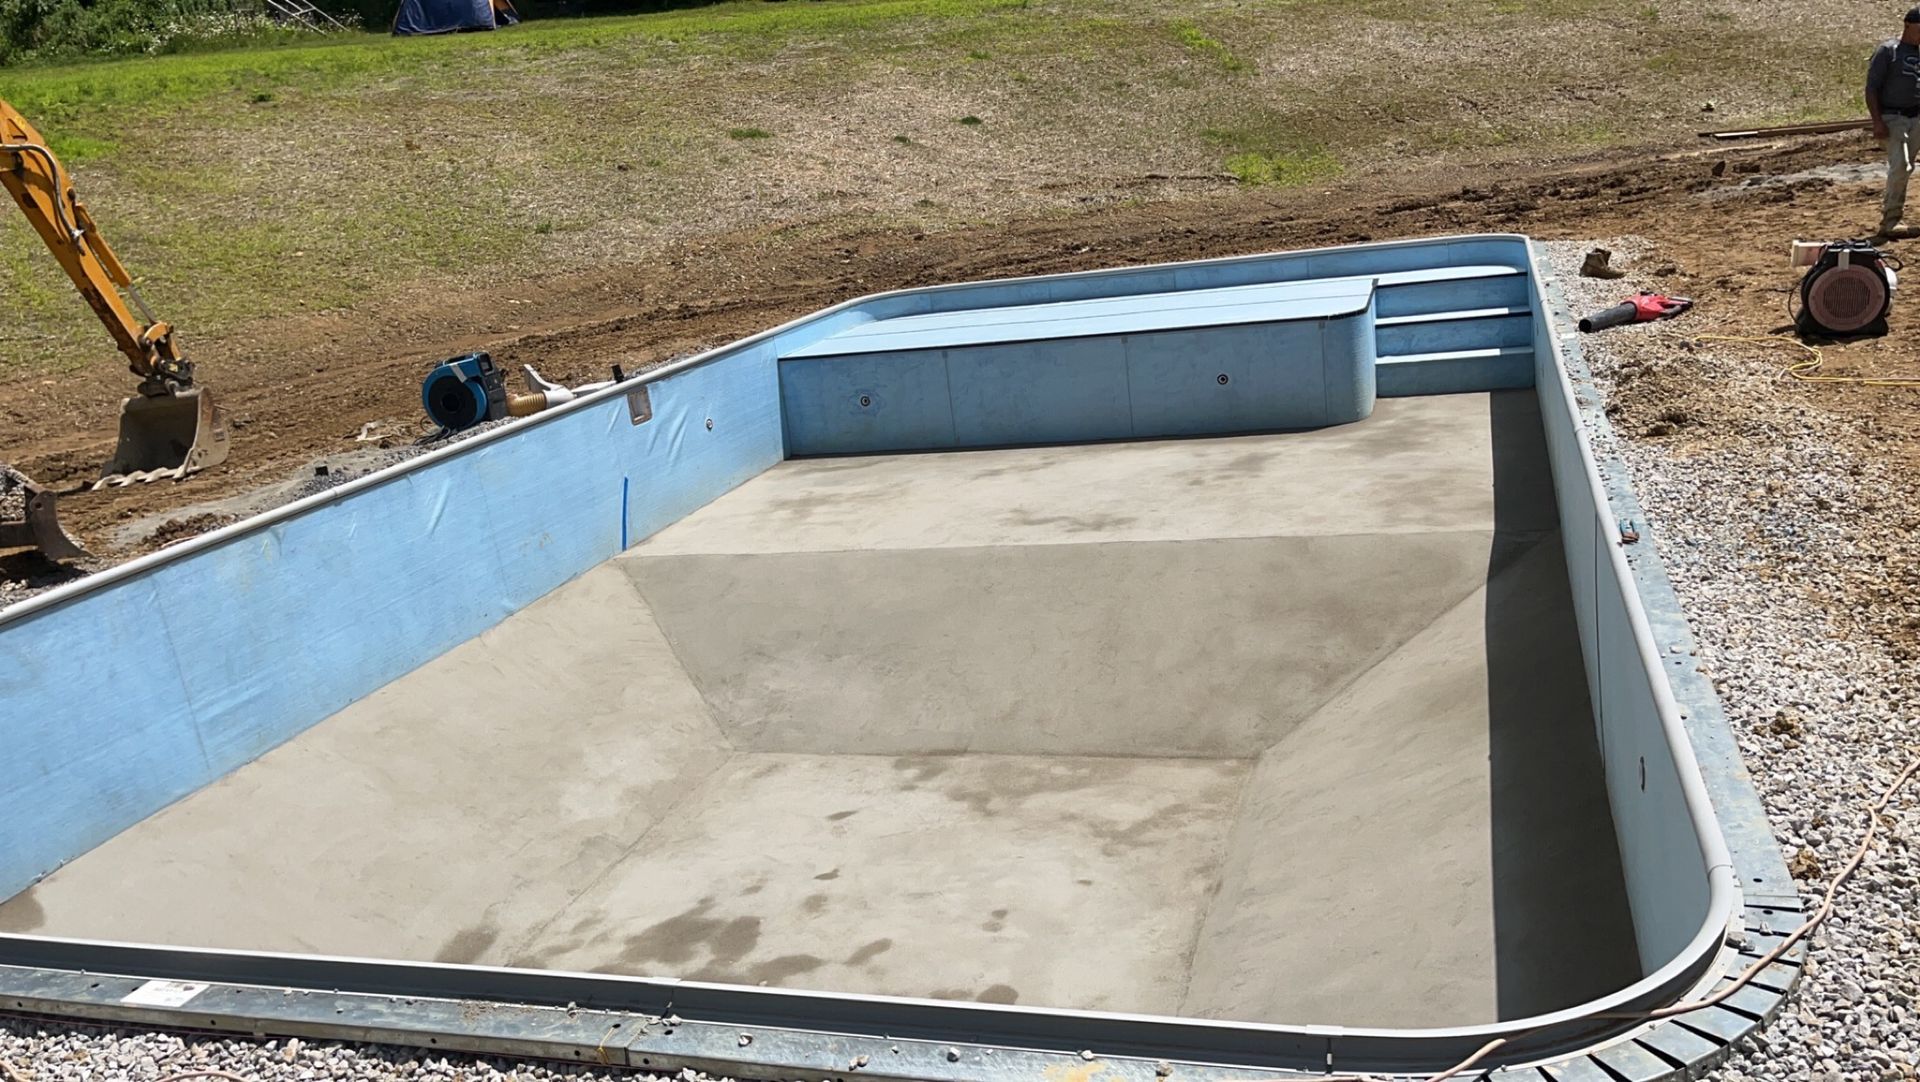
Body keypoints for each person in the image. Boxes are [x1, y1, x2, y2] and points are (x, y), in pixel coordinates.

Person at [1867, 7, 1920, 238]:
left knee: (1904, 167)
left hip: (1917, 116)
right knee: (1901, 166)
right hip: (1893, 117)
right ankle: (1890, 221)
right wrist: (1877, 121)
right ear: (1908, 24)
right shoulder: (1890, 51)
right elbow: (1872, 88)